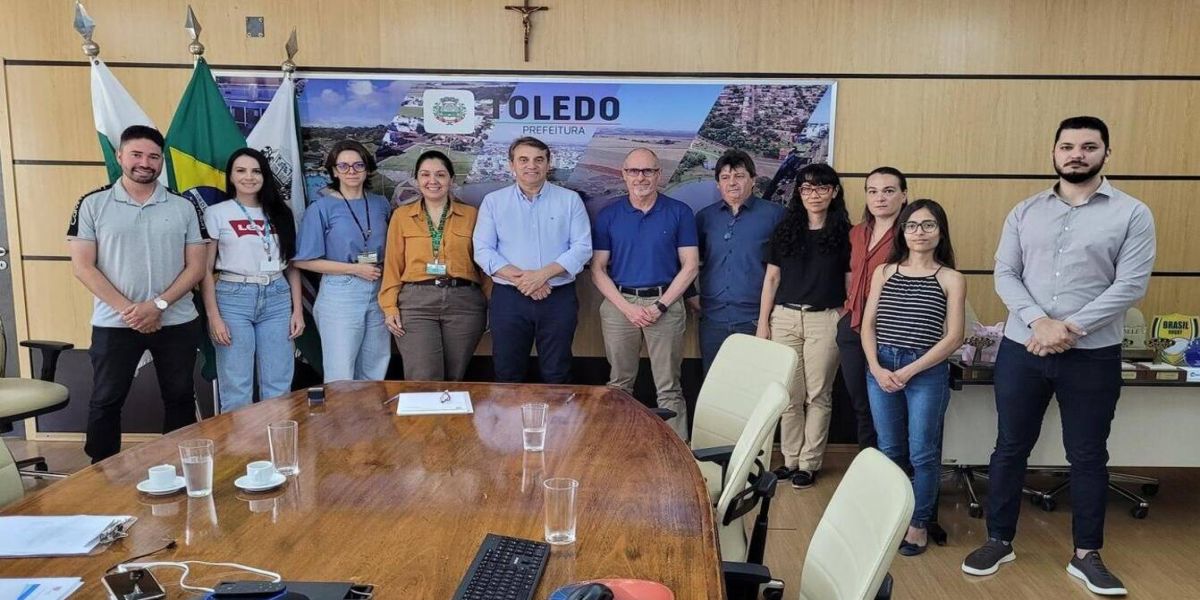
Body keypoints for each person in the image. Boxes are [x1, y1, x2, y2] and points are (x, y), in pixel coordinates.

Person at [963, 117, 1155, 596]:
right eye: (1067, 146)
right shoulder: (1025, 211)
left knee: (1088, 455)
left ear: (1105, 154)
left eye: (1089, 147)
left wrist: (1068, 329)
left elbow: (1130, 285)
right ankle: (999, 539)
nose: (1077, 154)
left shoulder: (1132, 213)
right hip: (1022, 349)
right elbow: (1005, 272)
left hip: (1092, 354)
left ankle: (1087, 555)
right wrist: (1039, 323)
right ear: (1053, 153)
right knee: (1009, 447)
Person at [66, 125, 208, 462]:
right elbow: (83, 266)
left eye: (153, 156)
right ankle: (99, 472)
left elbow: (196, 267)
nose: (145, 162)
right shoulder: (92, 204)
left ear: (161, 161)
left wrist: (157, 305)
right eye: (137, 154)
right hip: (115, 323)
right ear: (120, 156)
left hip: (176, 321)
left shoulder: (184, 206)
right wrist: (132, 311)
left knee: (179, 396)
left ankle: (179, 467)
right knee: (106, 398)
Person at [861, 199, 966, 556]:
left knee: (922, 453)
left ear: (941, 231)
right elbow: (869, 324)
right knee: (890, 449)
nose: (919, 233)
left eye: (928, 225)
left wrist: (909, 370)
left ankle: (918, 524)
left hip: (925, 372)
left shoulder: (951, 278)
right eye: (912, 226)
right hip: (881, 368)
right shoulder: (885, 272)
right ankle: (891, 517)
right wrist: (876, 367)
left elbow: (954, 337)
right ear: (902, 231)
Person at [591, 148, 699, 439]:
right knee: (619, 384)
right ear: (624, 175)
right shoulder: (609, 215)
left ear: (658, 174)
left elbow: (689, 267)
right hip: (619, 306)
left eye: (648, 171)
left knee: (669, 386)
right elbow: (598, 269)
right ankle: (616, 448)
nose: (641, 177)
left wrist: (660, 306)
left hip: (665, 304)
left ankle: (678, 453)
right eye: (634, 171)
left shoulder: (679, 212)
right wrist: (627, 309)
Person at [756, 164, 850, 489]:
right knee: (789, 396)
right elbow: (771, 278)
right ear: (799, 193)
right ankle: (790, 459)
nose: (814, 194)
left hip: (824, 320)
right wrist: (763, 324)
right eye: (807, 188)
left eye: (822, 188)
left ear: (834, 192)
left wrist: (841, 313)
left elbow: (851, 283)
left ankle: (809, 464)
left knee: (819, 394)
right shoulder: (785, 231)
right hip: (783, 318)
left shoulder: (846, 234)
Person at [473, 137, 592, 383]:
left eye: (539, 160)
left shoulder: (569, 200)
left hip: (557, 299)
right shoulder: (493, 202)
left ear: (549, 164)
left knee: (557, 373)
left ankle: (557, 423)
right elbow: (483, 251)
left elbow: (582, 248)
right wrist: (525, 281)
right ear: (511, 165)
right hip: (509, 299)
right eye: (523, 160)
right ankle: (509, 423)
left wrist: (542, 275)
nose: (531, 166)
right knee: (507, 373)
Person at [200, 148, 304, 412]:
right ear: (231, 176)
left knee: (278, 384)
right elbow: (205, 270)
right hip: (233, 297)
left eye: (256, 171)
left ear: (265, 175)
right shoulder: (217, 213)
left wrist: (297, 311)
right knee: (237, 386)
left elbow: (291, 265)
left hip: (277, 296)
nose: (249, 177)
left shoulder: (281, 212)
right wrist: (214, 317)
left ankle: (275, 450)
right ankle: (240, 453)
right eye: (241, 171)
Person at [379, 150, 488, 381]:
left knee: (454, 379)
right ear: (416, 180)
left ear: (451, 180)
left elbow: (486, 264)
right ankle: (423, 419)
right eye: (425, 174)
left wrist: (487, 303)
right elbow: (392, 265)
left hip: (464, 303)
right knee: (424, 378)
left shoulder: (472, 215)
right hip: (416, 303)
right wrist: (389, 307)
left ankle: (449, 419)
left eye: (440, 174)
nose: (433, 181)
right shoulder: (402, 216)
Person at [293, 140, 394, 382]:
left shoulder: (381, 204)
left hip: (379, 291)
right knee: (341, 372)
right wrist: (354, 269)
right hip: (341, 292)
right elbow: (304, 261)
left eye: (358, 165)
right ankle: (341, 421)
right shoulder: (321, 208)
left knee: (375, 366)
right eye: (344, 166)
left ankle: (369, 418)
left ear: (368, 169)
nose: (352, 171)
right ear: (334, 171)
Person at [693, 149, 785, 373]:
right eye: (725, 177)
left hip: (755, 319)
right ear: (717, 184)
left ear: (753, 180)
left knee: (751, 388)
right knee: (714, 387)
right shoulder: (705, 217)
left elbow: (785, 270)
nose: (732, 183)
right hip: (713, 319)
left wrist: (767, 319)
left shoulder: (776, 216)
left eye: (739, 176)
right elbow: (688, 262)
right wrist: (691, 297)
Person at [839, 167, 908, 450]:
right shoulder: (856, 232)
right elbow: (849, 275)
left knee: (888, 404)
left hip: (890, 330)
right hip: (852, 327)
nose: (880, 198)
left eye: (889, 191)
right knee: (861, 404)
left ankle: (896, 472)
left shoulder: (910, 234)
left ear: (903, 196)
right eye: (873, 191)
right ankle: (868, 465)